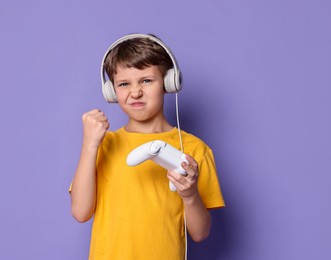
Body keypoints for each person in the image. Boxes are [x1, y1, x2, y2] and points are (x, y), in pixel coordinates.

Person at [69, 34, 225, 260]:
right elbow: (80, 212)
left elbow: (200, 233)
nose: (135, 92)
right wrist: (89, 144)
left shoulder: (195, 148)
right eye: (124, 84)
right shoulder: (103, 144)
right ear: (111, 92)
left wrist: (190, 195)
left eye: (146, 80)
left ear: (169, 83)